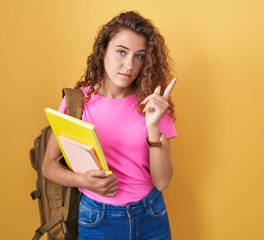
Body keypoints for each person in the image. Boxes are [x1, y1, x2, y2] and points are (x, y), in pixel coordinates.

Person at [42, 10, 177, 240]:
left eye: (139, 56)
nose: (129, 65)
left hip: (151, 215)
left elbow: (162, 182)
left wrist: (153, 127)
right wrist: (83, 181)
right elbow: (48, 165)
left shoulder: (152, 103)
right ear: (103, 50)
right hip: (98, 218)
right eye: (121, 52)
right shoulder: (77, 102)